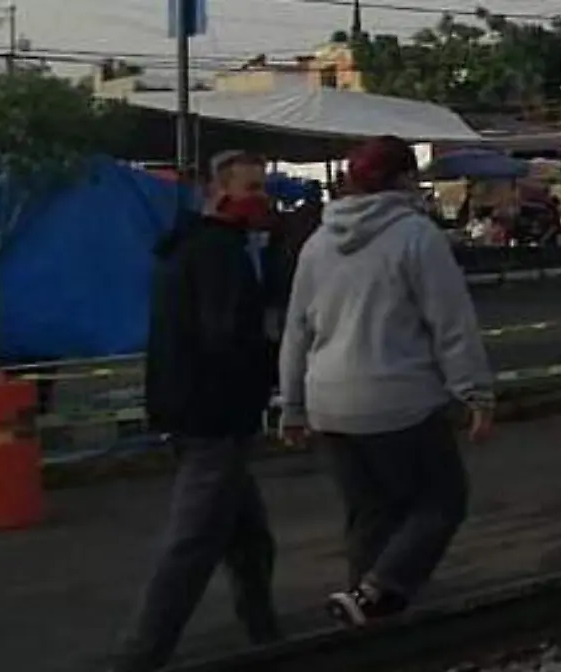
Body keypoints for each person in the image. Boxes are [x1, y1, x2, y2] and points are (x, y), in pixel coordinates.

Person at [277, 136, 495, 626]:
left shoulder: (318, 242)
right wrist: (475, 393)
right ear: (402, 179)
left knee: (369, 513)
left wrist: (291, 404)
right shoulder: (417, 236)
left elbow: (296, 329)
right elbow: (450, 323)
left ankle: (364, 610)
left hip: (328, 401)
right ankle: (380, 589)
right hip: (399, 399)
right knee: (441, 502)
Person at [111, 151, 281, 672]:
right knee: (192, 544)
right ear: (220, 191)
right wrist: (270, 367)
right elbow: (225, 336)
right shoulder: (219, 254)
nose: (260, 197)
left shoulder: (186, 247)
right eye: (251, 187)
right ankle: (142, 655)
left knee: (249, 539)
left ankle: (266, 634)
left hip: (194, 411)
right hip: (216, 417)